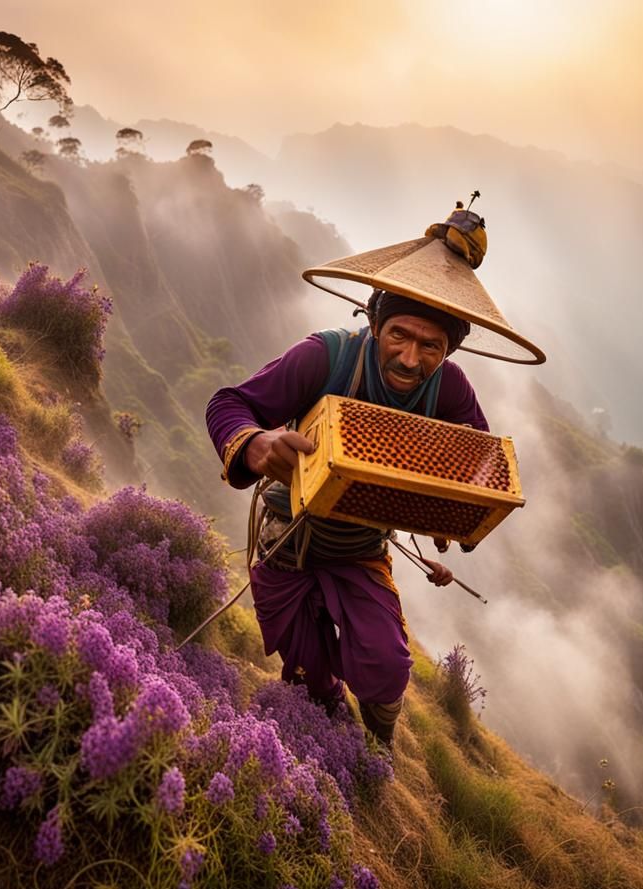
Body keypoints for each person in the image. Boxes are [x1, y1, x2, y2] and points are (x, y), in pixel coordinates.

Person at [205, 200, 545, 747]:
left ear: (449, 348)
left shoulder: (450, 389)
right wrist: (254, 444)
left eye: (430, 345)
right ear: (375, 323)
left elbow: (478, 464)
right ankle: (322, 735)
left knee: (386, 667)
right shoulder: (326, 357)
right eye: (399, 336)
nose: (411, 359)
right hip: (283, 543)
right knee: (307, 680)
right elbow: (228, 404)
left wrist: (452, 521)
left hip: (360, 547)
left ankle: (376, 748)